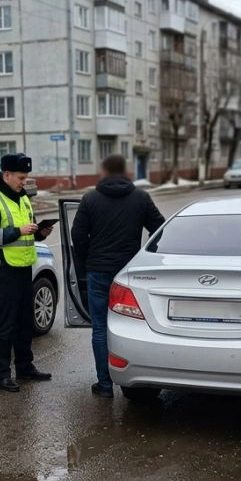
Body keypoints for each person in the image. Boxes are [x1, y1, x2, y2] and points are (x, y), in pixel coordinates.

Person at [70, 154, 165, 399]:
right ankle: (136, 380)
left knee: (100, 327)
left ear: (104, 171)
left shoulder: (90, 199)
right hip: (130, 274)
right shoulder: (141, 198)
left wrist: (89, 258)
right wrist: (144, 254)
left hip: (98, 272)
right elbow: (160, 228)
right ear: (124, 171)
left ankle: (104, 385)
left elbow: (77, 237)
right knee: (134, 325)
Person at [0, 153, 53, 392]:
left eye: (26, 178)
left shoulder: (23, 198)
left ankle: (25, 367)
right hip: (3, 268)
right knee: (4, 324)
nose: (24, 182)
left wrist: (40, 232)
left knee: (24, 321)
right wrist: (18, 230)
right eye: (20, 178)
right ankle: (1, 375)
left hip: (24, 266)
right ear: (6, 174)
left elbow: (29, 230)